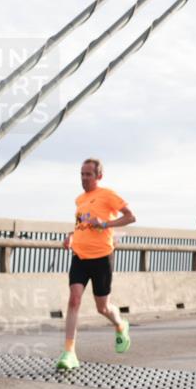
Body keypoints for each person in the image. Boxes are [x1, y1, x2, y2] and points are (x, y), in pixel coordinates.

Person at [57, 158, 135, 371]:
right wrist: (71, 236)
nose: (84, 178)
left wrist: (105, 224)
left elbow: (130, 217)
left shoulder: (108, 195)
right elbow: (81, 225)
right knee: (74, 300)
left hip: (102, 257)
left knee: (103, 307)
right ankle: (69, 352)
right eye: (81, 174)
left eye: (88, 174)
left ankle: (120, 325)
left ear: (98, 176)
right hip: (80, 256)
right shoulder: (79, 199)